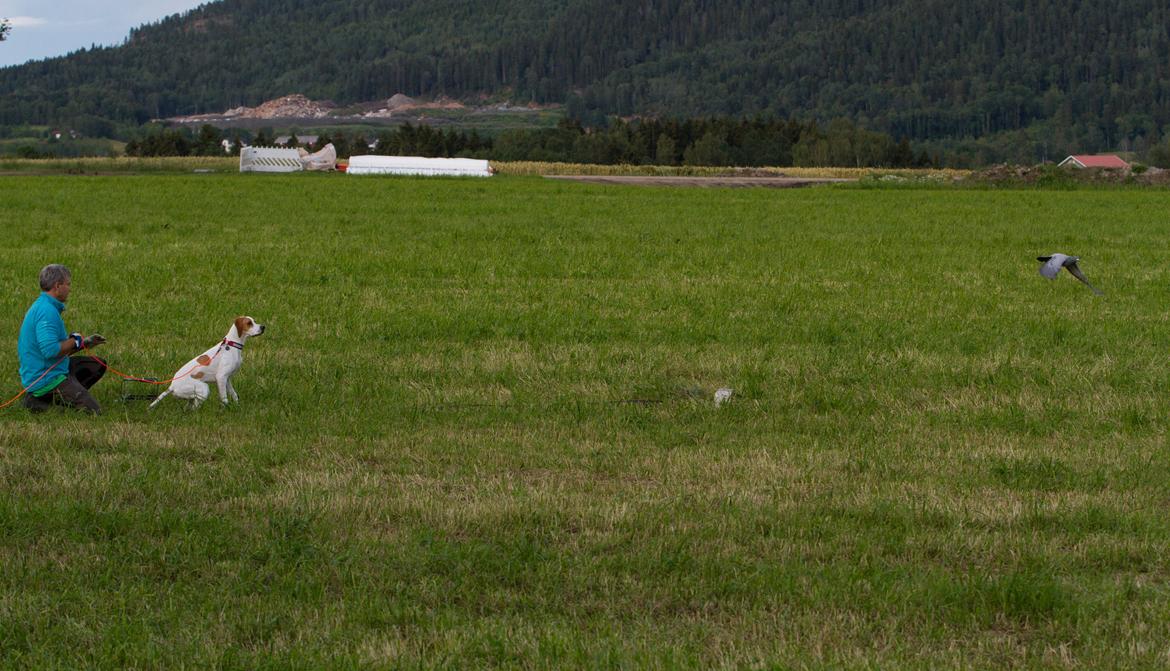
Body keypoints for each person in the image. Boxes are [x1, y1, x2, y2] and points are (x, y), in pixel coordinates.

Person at [18, 264, 108, 414]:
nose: (69, 288)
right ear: (57, 286)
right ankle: (39, 400)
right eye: (68, 284)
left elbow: (54, 350)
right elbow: (50, 350)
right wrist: (75, 340)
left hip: (53, 369)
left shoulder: (45, 306)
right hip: (46, 378)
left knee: (98, 365)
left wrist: (85, 343)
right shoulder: (46, 312)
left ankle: (62, 396)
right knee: (94, 412)